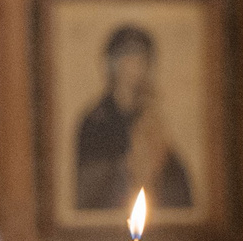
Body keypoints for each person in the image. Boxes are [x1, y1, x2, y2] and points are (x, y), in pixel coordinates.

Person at [73, 24, 192, 213]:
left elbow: (175, 180)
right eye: (128, 59)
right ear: (113, 65)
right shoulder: (95, 121)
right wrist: (126, 166)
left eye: (141, 61)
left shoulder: (150, 118)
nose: (134, 68)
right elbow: (86, 188)